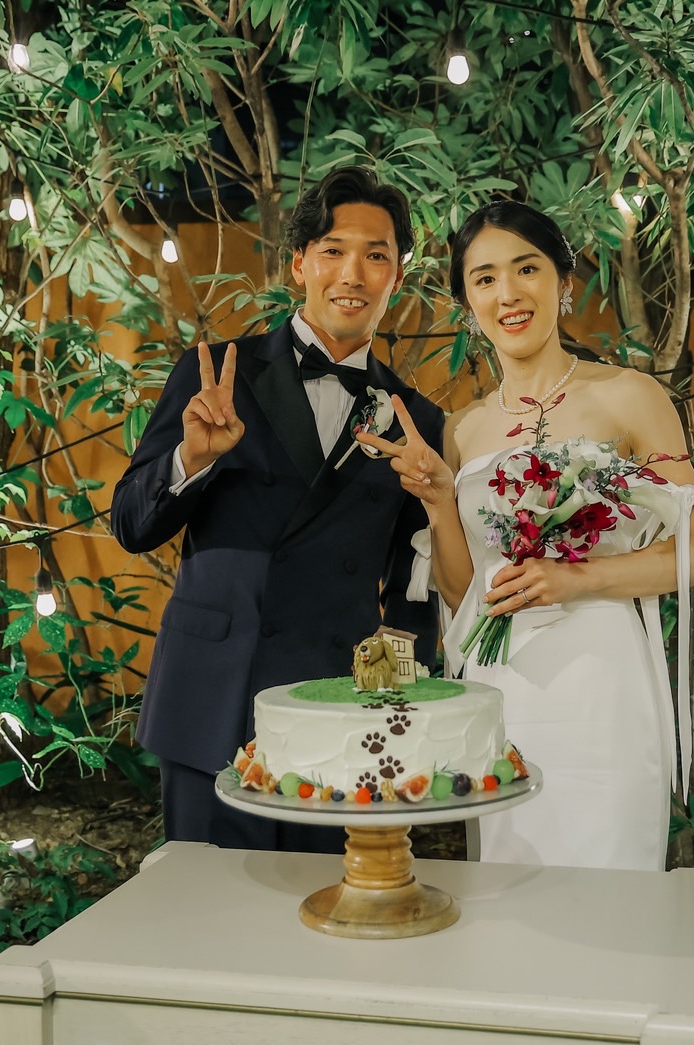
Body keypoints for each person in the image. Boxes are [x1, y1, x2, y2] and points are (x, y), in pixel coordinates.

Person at [358, 200, 694, 871]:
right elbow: (463, 596)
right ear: (467, 303)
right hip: (501, 688)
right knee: (508, 882)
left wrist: (576, 578)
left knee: (607, 871)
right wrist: (440, 501)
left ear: (563, 281)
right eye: (484, 278)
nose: (507, 293)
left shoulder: (630, 395)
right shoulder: (462, 428)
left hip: (601, 679)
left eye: (526, 269)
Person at [110, 167, 444, 853]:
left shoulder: (416, 420)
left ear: (398, 275)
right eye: (333, 250)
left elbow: (413, 594)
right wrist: (192, 459)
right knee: (207, 902)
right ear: (299, 263)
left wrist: (386, 713)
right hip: (214, 695)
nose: (352, 274)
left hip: (334, 707)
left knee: (325, 905)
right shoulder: (216, 374)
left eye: (375, 255)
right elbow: (132, 526)